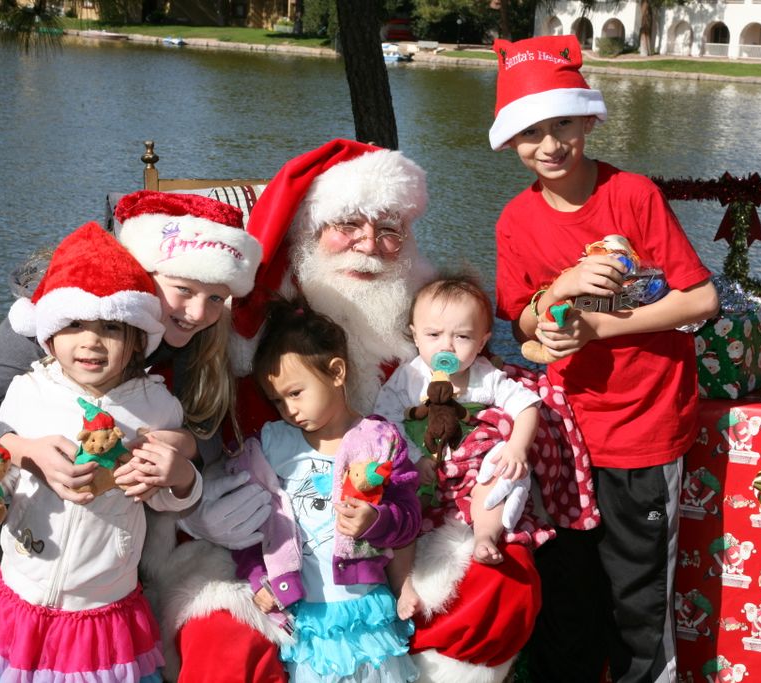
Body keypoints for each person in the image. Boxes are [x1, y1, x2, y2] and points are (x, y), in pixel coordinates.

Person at [154, 140, 545, 682]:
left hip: (407, 525)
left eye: (389, 229)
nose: (369, 245)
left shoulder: (427, 320)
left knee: (502, 587)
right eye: (347, 225)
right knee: (221, 643)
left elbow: (484, 396)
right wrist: (200, 509)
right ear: (309, 232)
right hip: (267, 547)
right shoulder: (241, 328)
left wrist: (495, 452)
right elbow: (187, 431)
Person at [0, 191, 274, 666]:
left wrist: (184, 443)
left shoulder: (196, 337)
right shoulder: (54, 316)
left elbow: (210, 429)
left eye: (215, 297)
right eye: (182, 290)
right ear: (140, 273)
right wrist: (22, 449)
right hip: (23, 538)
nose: (197, 313)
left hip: (109, 571)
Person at [489, 35, 720, 683]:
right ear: (511, 143)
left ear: (588, 118)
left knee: (637, 605)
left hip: (642, 432)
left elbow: (699, 298)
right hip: (564, 439)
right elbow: (524, 319)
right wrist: (557, 307)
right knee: (568, 600)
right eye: (531, 132)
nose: (551, 144)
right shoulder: (516, 220)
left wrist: (599, 326)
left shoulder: (634, 195)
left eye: (563, 123)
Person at [0, 221, 203, 682]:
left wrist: (181, 475)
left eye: (110, 327)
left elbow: (168, 497)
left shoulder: (158, 405)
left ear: (137, 337)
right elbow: (0, 470)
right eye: (74, 324)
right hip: (21, 593)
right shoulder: (26, 391)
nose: (90, 340)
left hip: (104, 607)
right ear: (48, 334)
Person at [233, 299, 421, 681]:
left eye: (296, 393)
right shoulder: (272, 445)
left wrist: (377, 520)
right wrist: (258, 579)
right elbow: (249, 524)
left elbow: (410, 518)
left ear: (336, 372)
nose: (288, 409)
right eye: (277, 400)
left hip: (365, 608)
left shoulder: (378, 438)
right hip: (307, 614)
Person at [373, 275, 541, 616]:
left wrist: (516, 449)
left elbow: (527, 405)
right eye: (434, 335)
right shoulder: (410, 376)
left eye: (462, 336)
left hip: (471, 475)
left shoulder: (485, 376)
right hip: (423, 475)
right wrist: (415, 458)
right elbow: (384, 421)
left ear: (482, 342)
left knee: (495, 478)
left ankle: (484, 537)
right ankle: (403, 585)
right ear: (415, 334)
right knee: (400, 511)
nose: (447, 347)